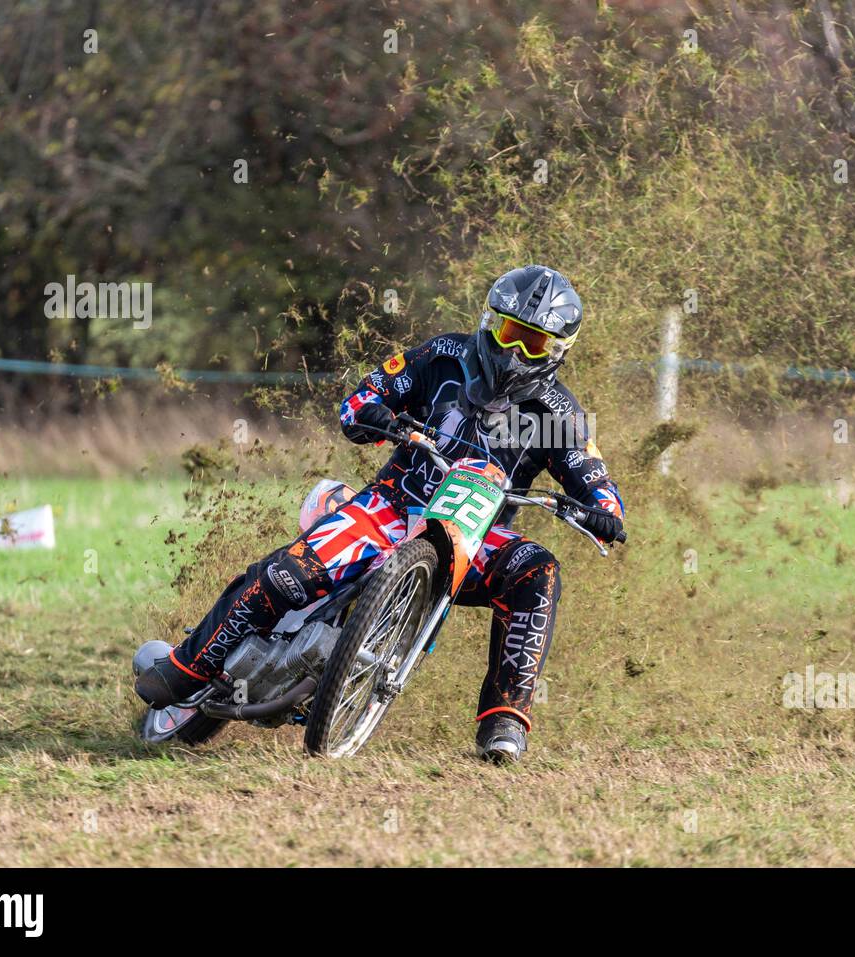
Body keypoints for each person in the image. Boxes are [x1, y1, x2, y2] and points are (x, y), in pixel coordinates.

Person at [135, 265, 625, 762]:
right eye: (510, 333)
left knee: (539, 570)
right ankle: (187, 667)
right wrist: (377, 415)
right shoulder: (441, 355)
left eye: (534, 344)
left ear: (558, 352)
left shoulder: (561, 415)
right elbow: (360, 401)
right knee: (285, 578)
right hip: (389, 507)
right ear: (489, 322)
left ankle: (505, 719)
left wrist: (604, 511)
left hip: (478, 539)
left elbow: (595, 478)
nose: (517, 352)